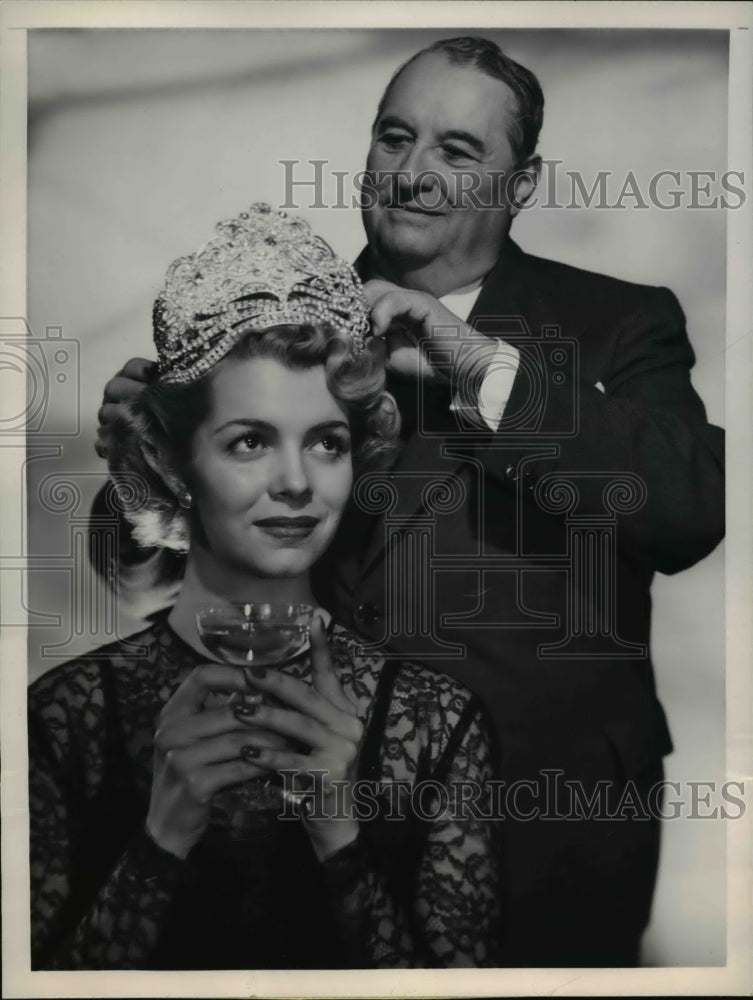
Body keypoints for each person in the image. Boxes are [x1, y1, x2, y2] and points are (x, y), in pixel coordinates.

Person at [93, 37, 725, 966]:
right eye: (395, 139)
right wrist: (142, 466)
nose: (414, 173)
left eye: (457, 151)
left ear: (521, 181)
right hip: (300, 821)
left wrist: (478, 367)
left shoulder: (619, 321)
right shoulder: (264, 321)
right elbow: (152, 583)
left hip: (546, 821)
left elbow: (686, 509)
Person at [29, 205, 500, 971]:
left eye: (325, 442)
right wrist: (160, 841)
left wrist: (340, 835)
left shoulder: (438, 723)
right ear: (171, 460)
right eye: (250, 441)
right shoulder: (62, 719)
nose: (295, 483)